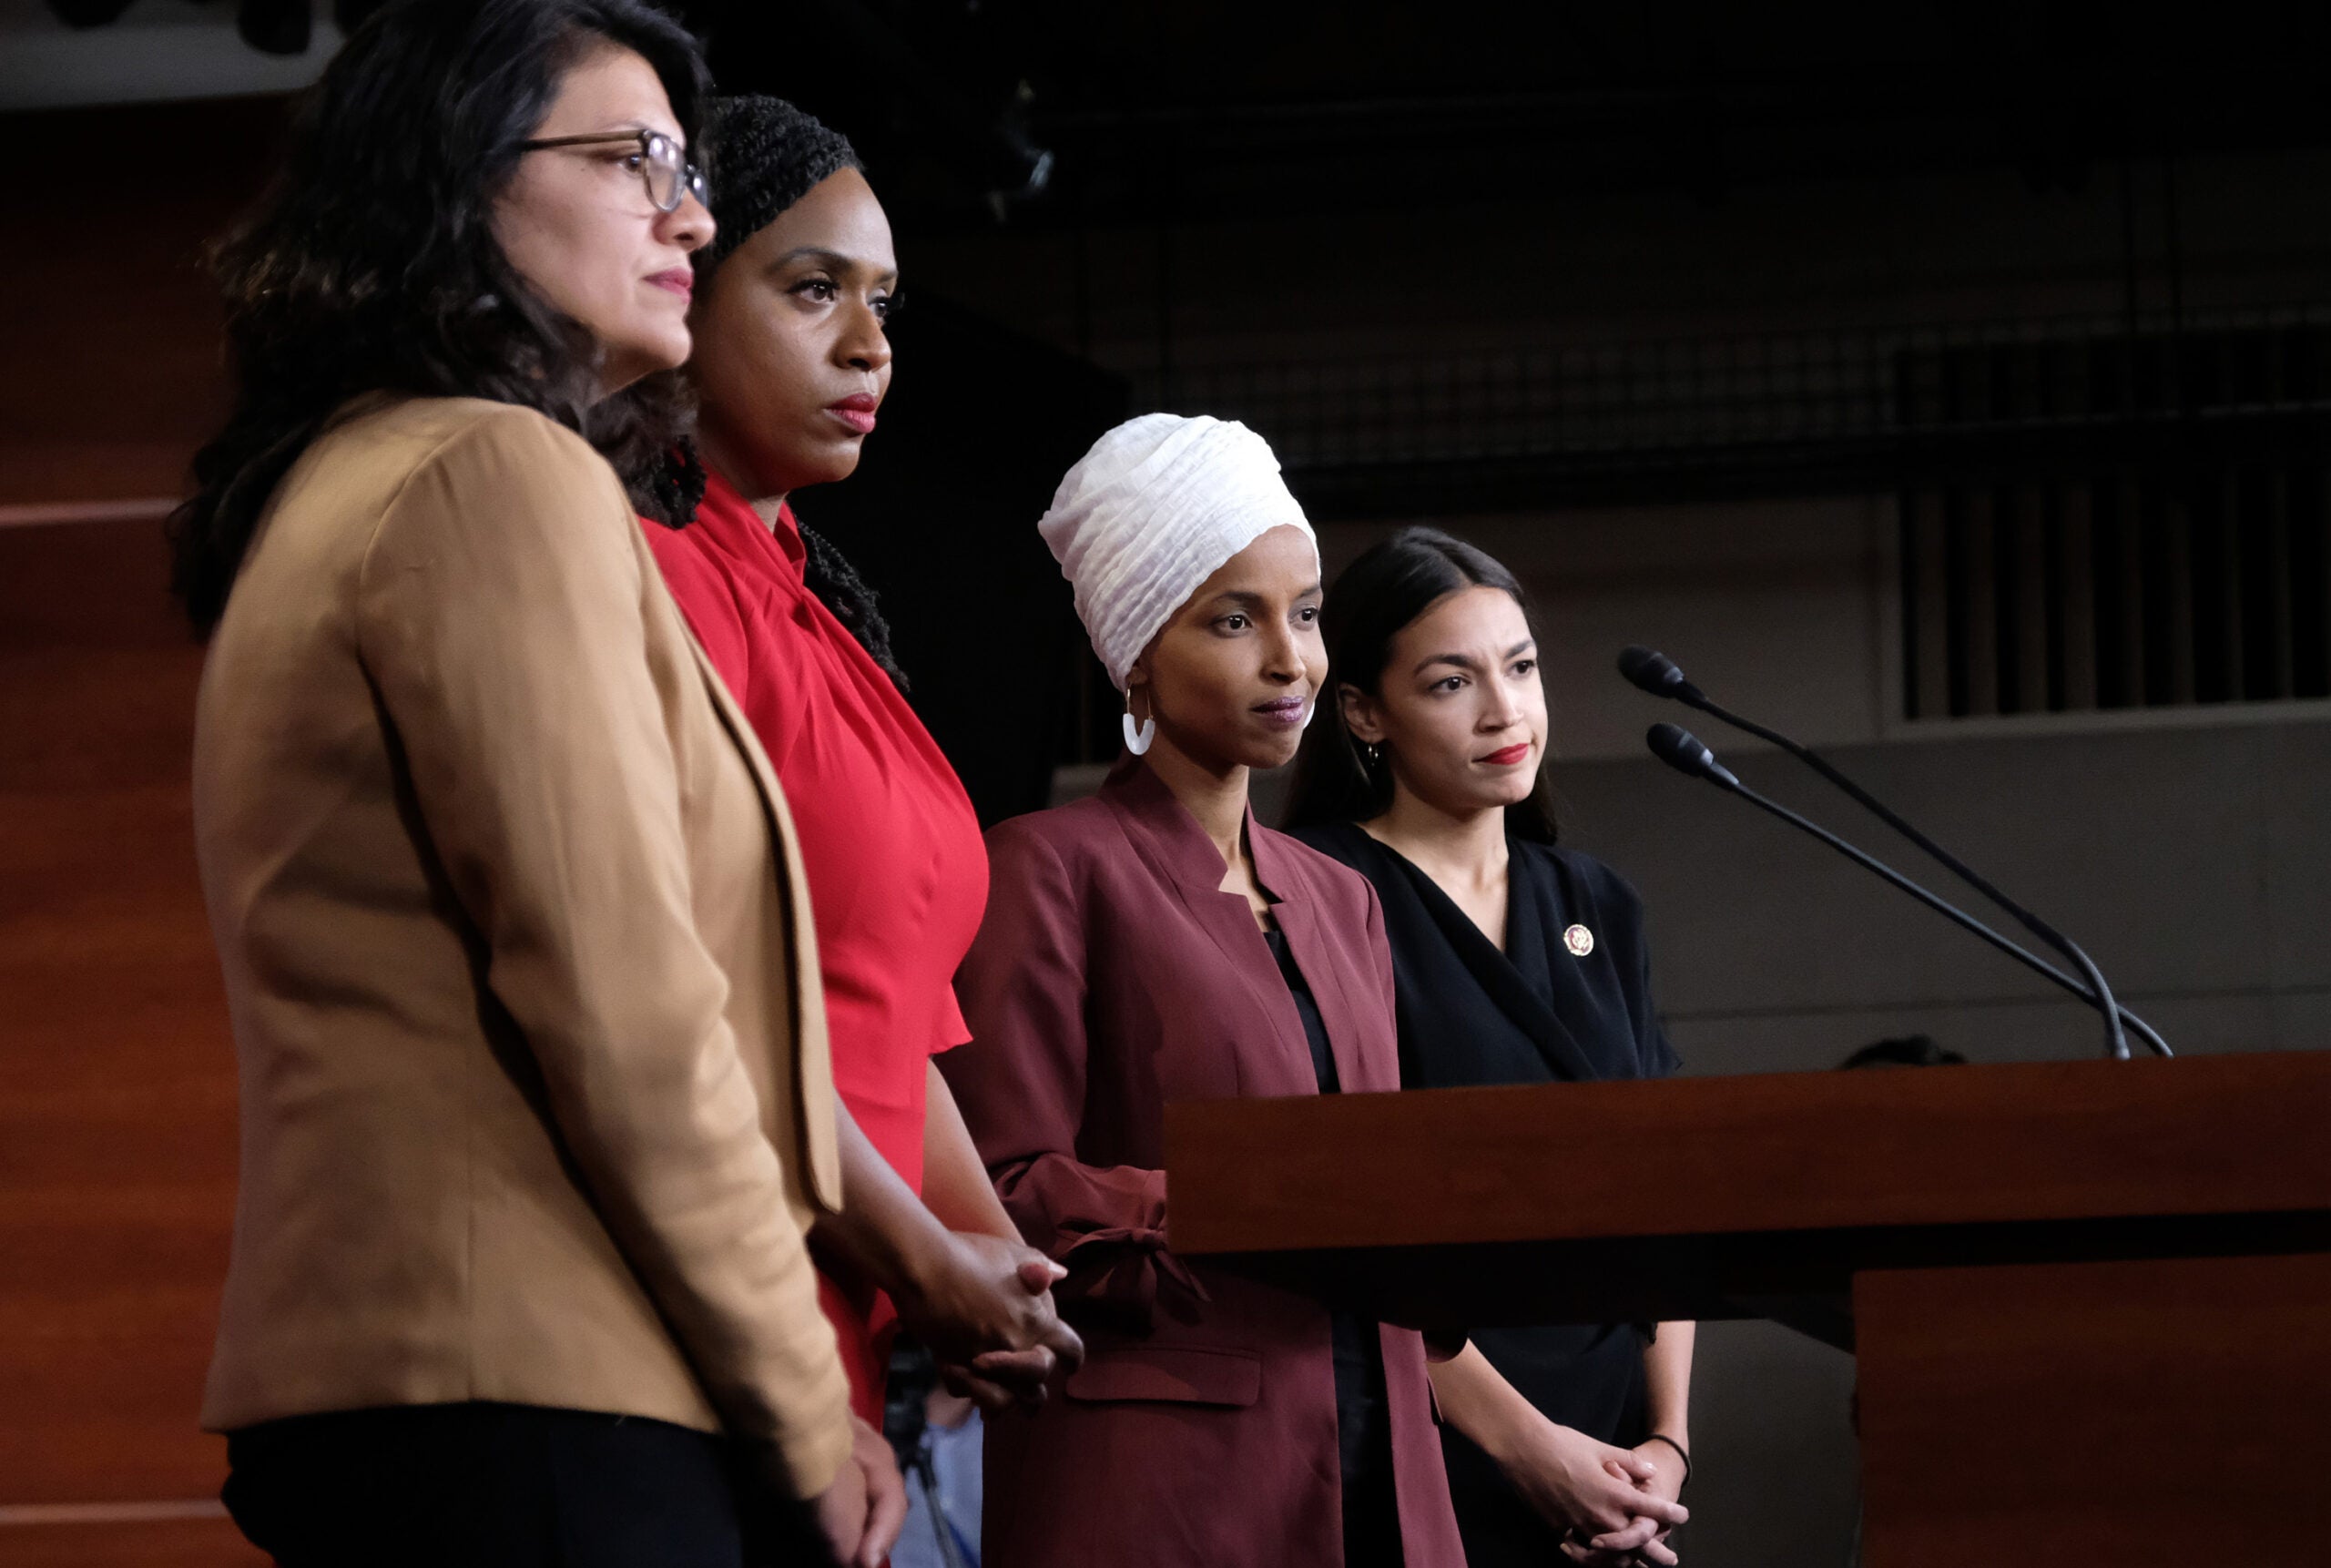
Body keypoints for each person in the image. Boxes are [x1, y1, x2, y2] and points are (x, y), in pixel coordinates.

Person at [172, 4, 897, 1563]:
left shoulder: (355, 474)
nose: (690, 216)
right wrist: (799, 1385)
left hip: (435, 1385)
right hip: (544, 1393)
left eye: (686, 171)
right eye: (635, 160)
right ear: (462, 178)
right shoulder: (495, 476)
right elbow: (626, 1006)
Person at [937, 413, 1469, 1568]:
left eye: (1308, 613)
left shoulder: (1344, 898)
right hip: (1165, 1485)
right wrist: (1262, 1202)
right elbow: (999, 1190)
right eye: (1234, 620)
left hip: (1382, 1459)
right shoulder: (1047, 865)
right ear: (1135, 652)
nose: (1292, 660)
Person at [632, 95, 1082, 1422]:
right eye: (814, 288)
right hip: (703, 1316)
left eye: (885, 300)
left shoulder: (825, 611)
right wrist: (929, 1260)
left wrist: (997, 1266)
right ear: (684, 294)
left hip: (839, 1315)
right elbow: (686, 1005)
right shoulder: (651, 573)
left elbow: (893, 1026)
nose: (871, 345)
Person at [1285, 526, 1695, 1568]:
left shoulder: (1596, 900)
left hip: (1615, 1455)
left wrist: (1664, 1445)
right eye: (1449, 683)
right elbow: (1339, 1230)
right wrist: (1528, 1448)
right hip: (1433, 1435)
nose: (1504, 711)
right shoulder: (1318, 892)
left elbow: (1676, 1187)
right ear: (1364, 712)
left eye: (1519, 668)